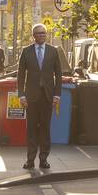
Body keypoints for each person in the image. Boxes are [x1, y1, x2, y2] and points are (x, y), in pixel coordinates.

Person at [17, 23, 62, 172]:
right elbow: (21, 75)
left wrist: (57, 94)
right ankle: (30, 160)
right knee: (31, 128)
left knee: (45, 128)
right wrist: (21, 95)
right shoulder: (26, 51)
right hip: (31, 96)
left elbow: (59, 75)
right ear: (34, 36)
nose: (41, 35)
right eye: (38, 33)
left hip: (47, 96)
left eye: (43, 33)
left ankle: (44, 159)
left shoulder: (53, 51)